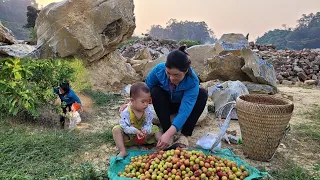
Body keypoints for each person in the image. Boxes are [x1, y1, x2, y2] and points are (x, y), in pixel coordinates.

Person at [145, 45, 208, 150]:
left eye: (176, 75)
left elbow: (184, 111)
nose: (171, 78)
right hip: (166, 104)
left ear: (186, 71)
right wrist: (131, 104)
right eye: (168, 73)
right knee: (155, 91)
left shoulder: (192, 81)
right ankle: (166, 130)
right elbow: (145, 90)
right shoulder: (159, 70)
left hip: (181, 104)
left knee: (202, 94)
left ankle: (184, 135)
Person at [112, 82, 162, 158]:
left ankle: (160, 147)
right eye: (143, 101)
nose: (146, 104)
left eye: (148, 101)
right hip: (130, 137)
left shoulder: (147, 110)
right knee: (116, 130)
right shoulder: (126, 112)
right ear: (132, 101)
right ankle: (123, 150)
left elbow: (149, 123)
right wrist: (136, 131)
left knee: (156, 129)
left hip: (143, 137)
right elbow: (125, 127)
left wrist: (145, 130)